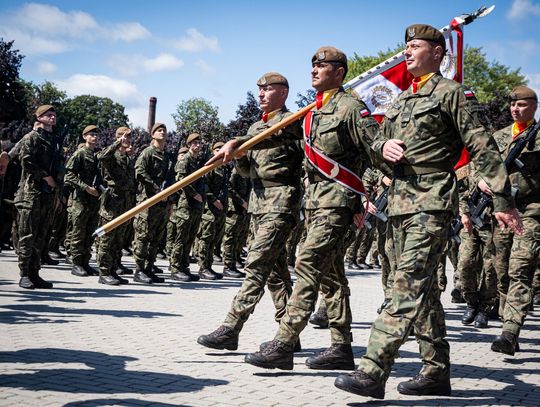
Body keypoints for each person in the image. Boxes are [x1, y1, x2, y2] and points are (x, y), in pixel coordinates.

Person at [334, 24, 522, 400]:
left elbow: (482, 146)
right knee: (423, 291)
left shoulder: (451, 94)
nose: (408, 52)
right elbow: (375, 148)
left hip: (432, 200)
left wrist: (502, 200)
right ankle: (436, 371)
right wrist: (383, 146)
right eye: (406, 46)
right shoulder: (401, 101)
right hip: (399, 204)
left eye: (416, 46)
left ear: (438, 53)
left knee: (404, 285)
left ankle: (372, 370)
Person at [242, 49, 380, 371]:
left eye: (322, 66)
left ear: (340, 72)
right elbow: (272, 135)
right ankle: (341, 348)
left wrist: (367, 196)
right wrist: (237, 144)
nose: (314, 70)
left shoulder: (350, 108)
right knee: (331, 274)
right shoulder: (311, 113)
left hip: (338, 202)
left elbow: (375, 149)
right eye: (313, 65)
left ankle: (284, 343)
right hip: (316, 203)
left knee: (306, 263)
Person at [198, 72, 304, 352]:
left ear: (283, 93)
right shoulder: (257, 126)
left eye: (267, 89)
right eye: (259, 90)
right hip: (258, 204)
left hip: (281, 201)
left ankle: (231, 327)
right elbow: (247, 173)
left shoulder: (292, 123)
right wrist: (240, 157)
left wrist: (243, 143)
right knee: (276, 273)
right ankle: (289, 334)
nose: (261, 95)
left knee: (256, 264)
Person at [491, 86, 539, 355]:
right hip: (501, 211)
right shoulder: (498, 137)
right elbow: (479, 167)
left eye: (521, 105)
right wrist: (483, 182)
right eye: (512, 105)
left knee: (519, 269)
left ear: (534, 106)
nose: (515, 109)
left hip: (531, 210)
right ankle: (506, 319)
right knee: (501, 272)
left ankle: (509, 332)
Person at [15, 105, 64, 289]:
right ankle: (24, 274)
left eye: (54, 115)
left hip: (48, 195)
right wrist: (45, 176)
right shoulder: (32, 138)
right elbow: (26, 161)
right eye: (48, 115)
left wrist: (57, 190)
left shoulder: (55, 141)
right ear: (39, 118)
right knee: (27, 234)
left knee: (41, 235)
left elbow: (60, 168)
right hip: (31, 193)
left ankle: (35, 273)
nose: (52, 118)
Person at [95, 126, 135, 286]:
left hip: (124, 202)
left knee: (118, 239)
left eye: (129, 137)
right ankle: (104, 272)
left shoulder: (127, 158)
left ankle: (113, 269)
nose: (127, 140)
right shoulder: (112, 155)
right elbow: (102, 156)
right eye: (124, 137)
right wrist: (117, 143)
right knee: (107, 237)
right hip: (112, 201)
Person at [132, 122, 170, 284]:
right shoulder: (148, 152)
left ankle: (149, 268)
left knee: (155, 237)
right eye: (159, 131)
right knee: (143, 235)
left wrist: (168, 197)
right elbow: (139, 171)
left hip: (162, 202)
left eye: (164, 131)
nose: (162, 133)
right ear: (153, 134)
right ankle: (139, 270)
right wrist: (156, 190)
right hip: (147, 201)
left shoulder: (166, 156)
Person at [64, 125, 102, 277]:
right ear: (84, 136)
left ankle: (86, 262)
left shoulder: (97, 155)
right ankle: (76, 263)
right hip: (80, 200)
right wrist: (86, 187)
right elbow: (69, 174)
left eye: (96, 135)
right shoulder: (80, 153)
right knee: (78, 233)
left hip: (93, 200)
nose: (95, 137)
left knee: (90, 233)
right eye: (91, 134)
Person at [169, 133, 205, 281]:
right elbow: (180, 181)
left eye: (199, 143)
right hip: (185, 204)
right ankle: (175, 267)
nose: (197, 145)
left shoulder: (197, 161)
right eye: (194, 143)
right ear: (189, 145)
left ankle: (184, 266)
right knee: (181, 238)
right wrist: (194, 194)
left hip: (195, 205)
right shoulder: (185, 160)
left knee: (189, 238)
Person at [197, 141, 234, 277]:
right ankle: (203, 268)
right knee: (206, 238)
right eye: (217, 149)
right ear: (213, 152)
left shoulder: (224, 168)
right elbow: (204, 186)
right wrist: (213, 200)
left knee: (214, 239)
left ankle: (209, 266)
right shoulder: (211, 167)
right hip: (210, 209)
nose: (220, 150)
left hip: (221, 208)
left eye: (221, 148)